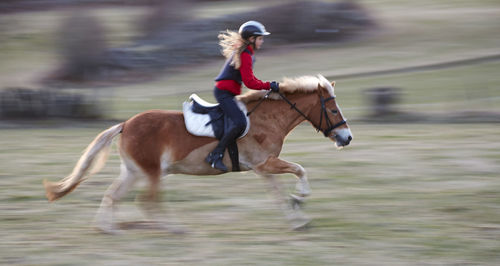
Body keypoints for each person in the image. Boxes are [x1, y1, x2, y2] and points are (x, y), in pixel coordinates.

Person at [205, 20, 280, 172]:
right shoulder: (245, 55)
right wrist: (268, 86)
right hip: (224, 93)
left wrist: (267, 85)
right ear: (251, 39)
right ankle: (215, 155)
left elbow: (250, 79)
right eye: (260, 38)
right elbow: (250, 82)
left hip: (228, 93)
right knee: (239, 122)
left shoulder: (246, 52)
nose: (262, 41)